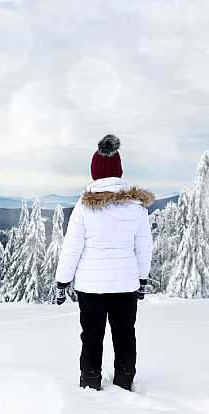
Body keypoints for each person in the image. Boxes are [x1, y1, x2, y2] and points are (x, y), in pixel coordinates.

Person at [55, 134, 154, 392]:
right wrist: (142, 279)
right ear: (119, 171)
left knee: (91, 336)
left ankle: (90, 381)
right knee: (124, 335)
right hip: (126, 285)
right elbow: (144, 247)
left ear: (95, 172)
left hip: (91, 287)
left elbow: (71, 247)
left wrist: (62, 281)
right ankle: (124, 380)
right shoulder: (137, 206)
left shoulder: (84, 207)